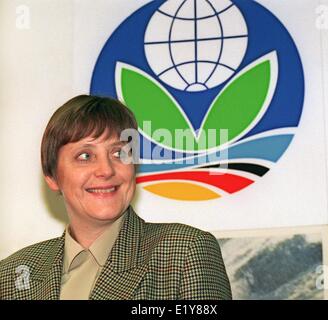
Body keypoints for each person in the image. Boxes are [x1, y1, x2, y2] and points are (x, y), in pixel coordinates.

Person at [0, 95, 232, 300]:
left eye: (119, 153)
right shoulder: (11, 274)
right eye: (85, 155)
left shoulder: (183, 253)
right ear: (52, 176)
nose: (106, 170)